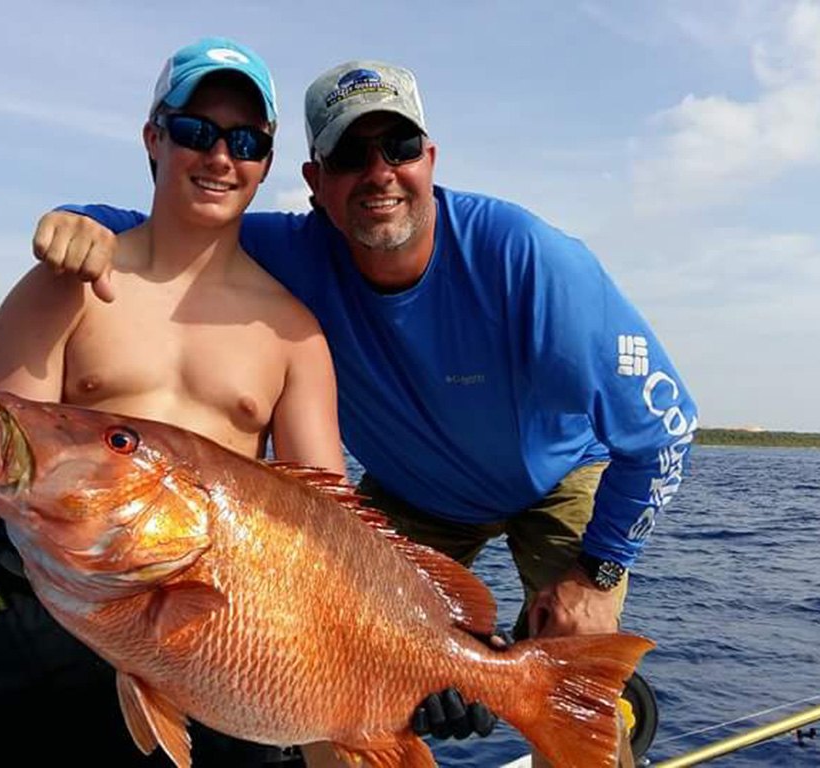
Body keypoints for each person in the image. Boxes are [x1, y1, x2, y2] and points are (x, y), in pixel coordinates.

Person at [35, 58, 698, 765]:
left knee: (573, 680)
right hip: (413, 497)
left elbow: (668, 429)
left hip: (557, 480)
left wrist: (596, 576)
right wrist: (82, 223)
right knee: (337, 702)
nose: (379, 172)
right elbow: (159, 230)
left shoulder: (530, 261)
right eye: (351, 154)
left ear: (430, 159)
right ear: (317, 183)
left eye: (401, 148)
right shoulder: (290, 254)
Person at [0, 38, 352, 767]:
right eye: (195, 131)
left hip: (212, 649)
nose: (219, 157)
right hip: (45, 624)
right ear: (153, 137)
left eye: (244, 141)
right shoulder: (64, 287)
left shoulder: (293, 335)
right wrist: (6, 551)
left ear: (267, 163)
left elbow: (330, 537)